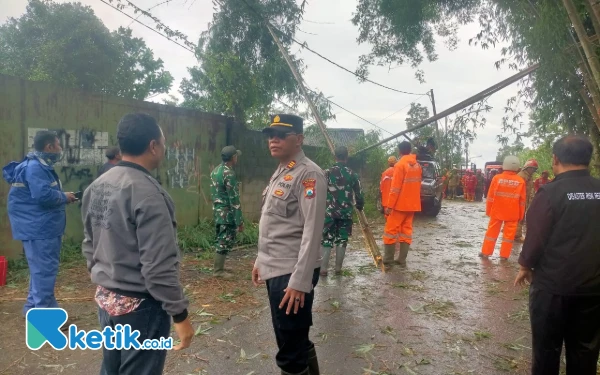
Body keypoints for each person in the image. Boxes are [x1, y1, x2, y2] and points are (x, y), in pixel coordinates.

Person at [81, 113, 194, 374]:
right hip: (140, 308)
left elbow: (89, 243)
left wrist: (106, 278)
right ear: (153, 146)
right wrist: (179, 315)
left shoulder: (97, 187)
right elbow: (157, 267)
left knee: (112, 368)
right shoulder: (149, 194)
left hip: (107, 301)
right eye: (163, 143)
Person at [514, 135, 600, 375]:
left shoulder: (550, 193)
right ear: (589, 160)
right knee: (585, 351)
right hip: (594, 288)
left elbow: (536, 235)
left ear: (555, 159)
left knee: (547, 350)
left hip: (553, 288)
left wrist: (525, 265)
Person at [252, 114, 326, 375]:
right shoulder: (283, 171)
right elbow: (274, 223)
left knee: (289, 351)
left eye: (282, 134)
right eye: (271, 134)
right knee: (295, 340)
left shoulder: (309, 175)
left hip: (291, 273)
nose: (274, 139)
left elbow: (312, 230)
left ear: (299, 139)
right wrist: (261, 259)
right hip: (275, 268)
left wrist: (299, 281)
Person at [3, 131, 78, 319]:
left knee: (39, 271)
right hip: (40, 229)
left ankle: (31, 309)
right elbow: (43, 196)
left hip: (38, 227)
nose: (61, 149)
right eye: (59, 145)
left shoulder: (36, 165)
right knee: (44, 272)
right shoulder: (36, 167)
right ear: (49, 147)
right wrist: (63, 197)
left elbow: (41, 192)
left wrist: (62, 195)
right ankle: (44, 318)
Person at [320, 146, 364, 276]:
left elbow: (318, 190)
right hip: (346, 213)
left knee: (327, 238)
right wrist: (360, 205)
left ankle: (323, 269)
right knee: (342, 239)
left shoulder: (326, 173)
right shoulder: (352, 174)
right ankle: (338, 269)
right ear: (347, 157)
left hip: (329, 212)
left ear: (335, 157)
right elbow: (359, 193)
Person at [383, 141, 422, 268]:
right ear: (409, 150)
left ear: (399, 151)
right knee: (406, 231)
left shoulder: (400, 165)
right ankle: (401, 260)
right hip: (412, 205)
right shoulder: (417, 165)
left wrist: (389, 206)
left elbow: (395, 189)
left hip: (400, 205)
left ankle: (388, 260)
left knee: (390, 230)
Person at [480, 156, 526, 260]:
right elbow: (522, 201)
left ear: (505, 165)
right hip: (513, 213)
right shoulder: (520, 181)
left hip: (497, 211)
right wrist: (521, 215)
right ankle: (504, 256)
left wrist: (488, 211)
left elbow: (490, 196)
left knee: (491, 233)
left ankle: (486, 253)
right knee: (509, 237)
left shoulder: (497, 178)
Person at [210, 145, 244, 278]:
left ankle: (220, 267)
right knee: (224, 240)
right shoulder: (229, 173)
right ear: (233, 158)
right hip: (226, 213)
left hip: (218, 211)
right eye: (236, 156)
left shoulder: (215, 171)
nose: (237, 158)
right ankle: (218, 271)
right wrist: (239, 221)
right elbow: (234, 199)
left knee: (222, 238)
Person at [515, 158, 538, 241]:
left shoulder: (528, 176)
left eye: (534, 169)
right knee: (519, 218)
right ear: (527, 168)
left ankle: (515, 234)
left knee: (520, 217)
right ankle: (517, 235)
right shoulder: (521, 176)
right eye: (532, 168)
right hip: (519, 201)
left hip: (524, 200)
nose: (533, 170)